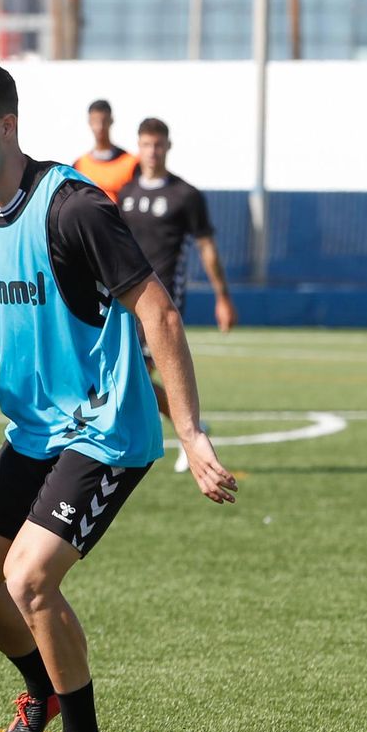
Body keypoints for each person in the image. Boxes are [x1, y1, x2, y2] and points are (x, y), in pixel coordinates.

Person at [0, 59, 236, 732]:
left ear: (8, 126)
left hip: (103, 433)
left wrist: (190, 433)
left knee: (28, 578)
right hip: (34, 429)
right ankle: (41, 688)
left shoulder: (74, 208)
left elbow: (156, 311)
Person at [116, 117, 237, 472]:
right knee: (130, 374)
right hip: (125, 298)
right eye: (146, 144)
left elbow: (207, 248)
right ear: (138, 147)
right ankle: (187, 430)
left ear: (168, 147)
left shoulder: (185, 196)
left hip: (163, 300)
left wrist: (222, 297)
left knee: (137, 373)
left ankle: (188, 432)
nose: (152, 152)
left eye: (158, 145)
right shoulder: (127, 193)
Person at [72, 99, 137, 203]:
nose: (100, 127)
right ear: (89, 122)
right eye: (95, 121)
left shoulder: (131, 163)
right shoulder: (80, 165)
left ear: (111, 120)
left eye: (104, 121)